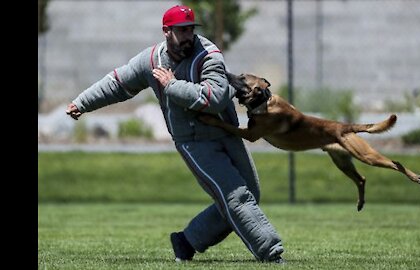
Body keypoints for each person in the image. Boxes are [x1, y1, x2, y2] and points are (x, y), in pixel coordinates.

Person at [65, 5, 284, 263]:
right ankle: (271, 253)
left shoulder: (209, 55)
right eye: (182, 31)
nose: (188, 36)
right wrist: (81, 102)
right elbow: (117, 83)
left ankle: (186, 240)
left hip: (225, 133)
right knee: (235, 195)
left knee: (249, 195)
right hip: (193, 144)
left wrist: (172, 86)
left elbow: (213, 98)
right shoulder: (150, 61)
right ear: (166, 32)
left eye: (190, 29)